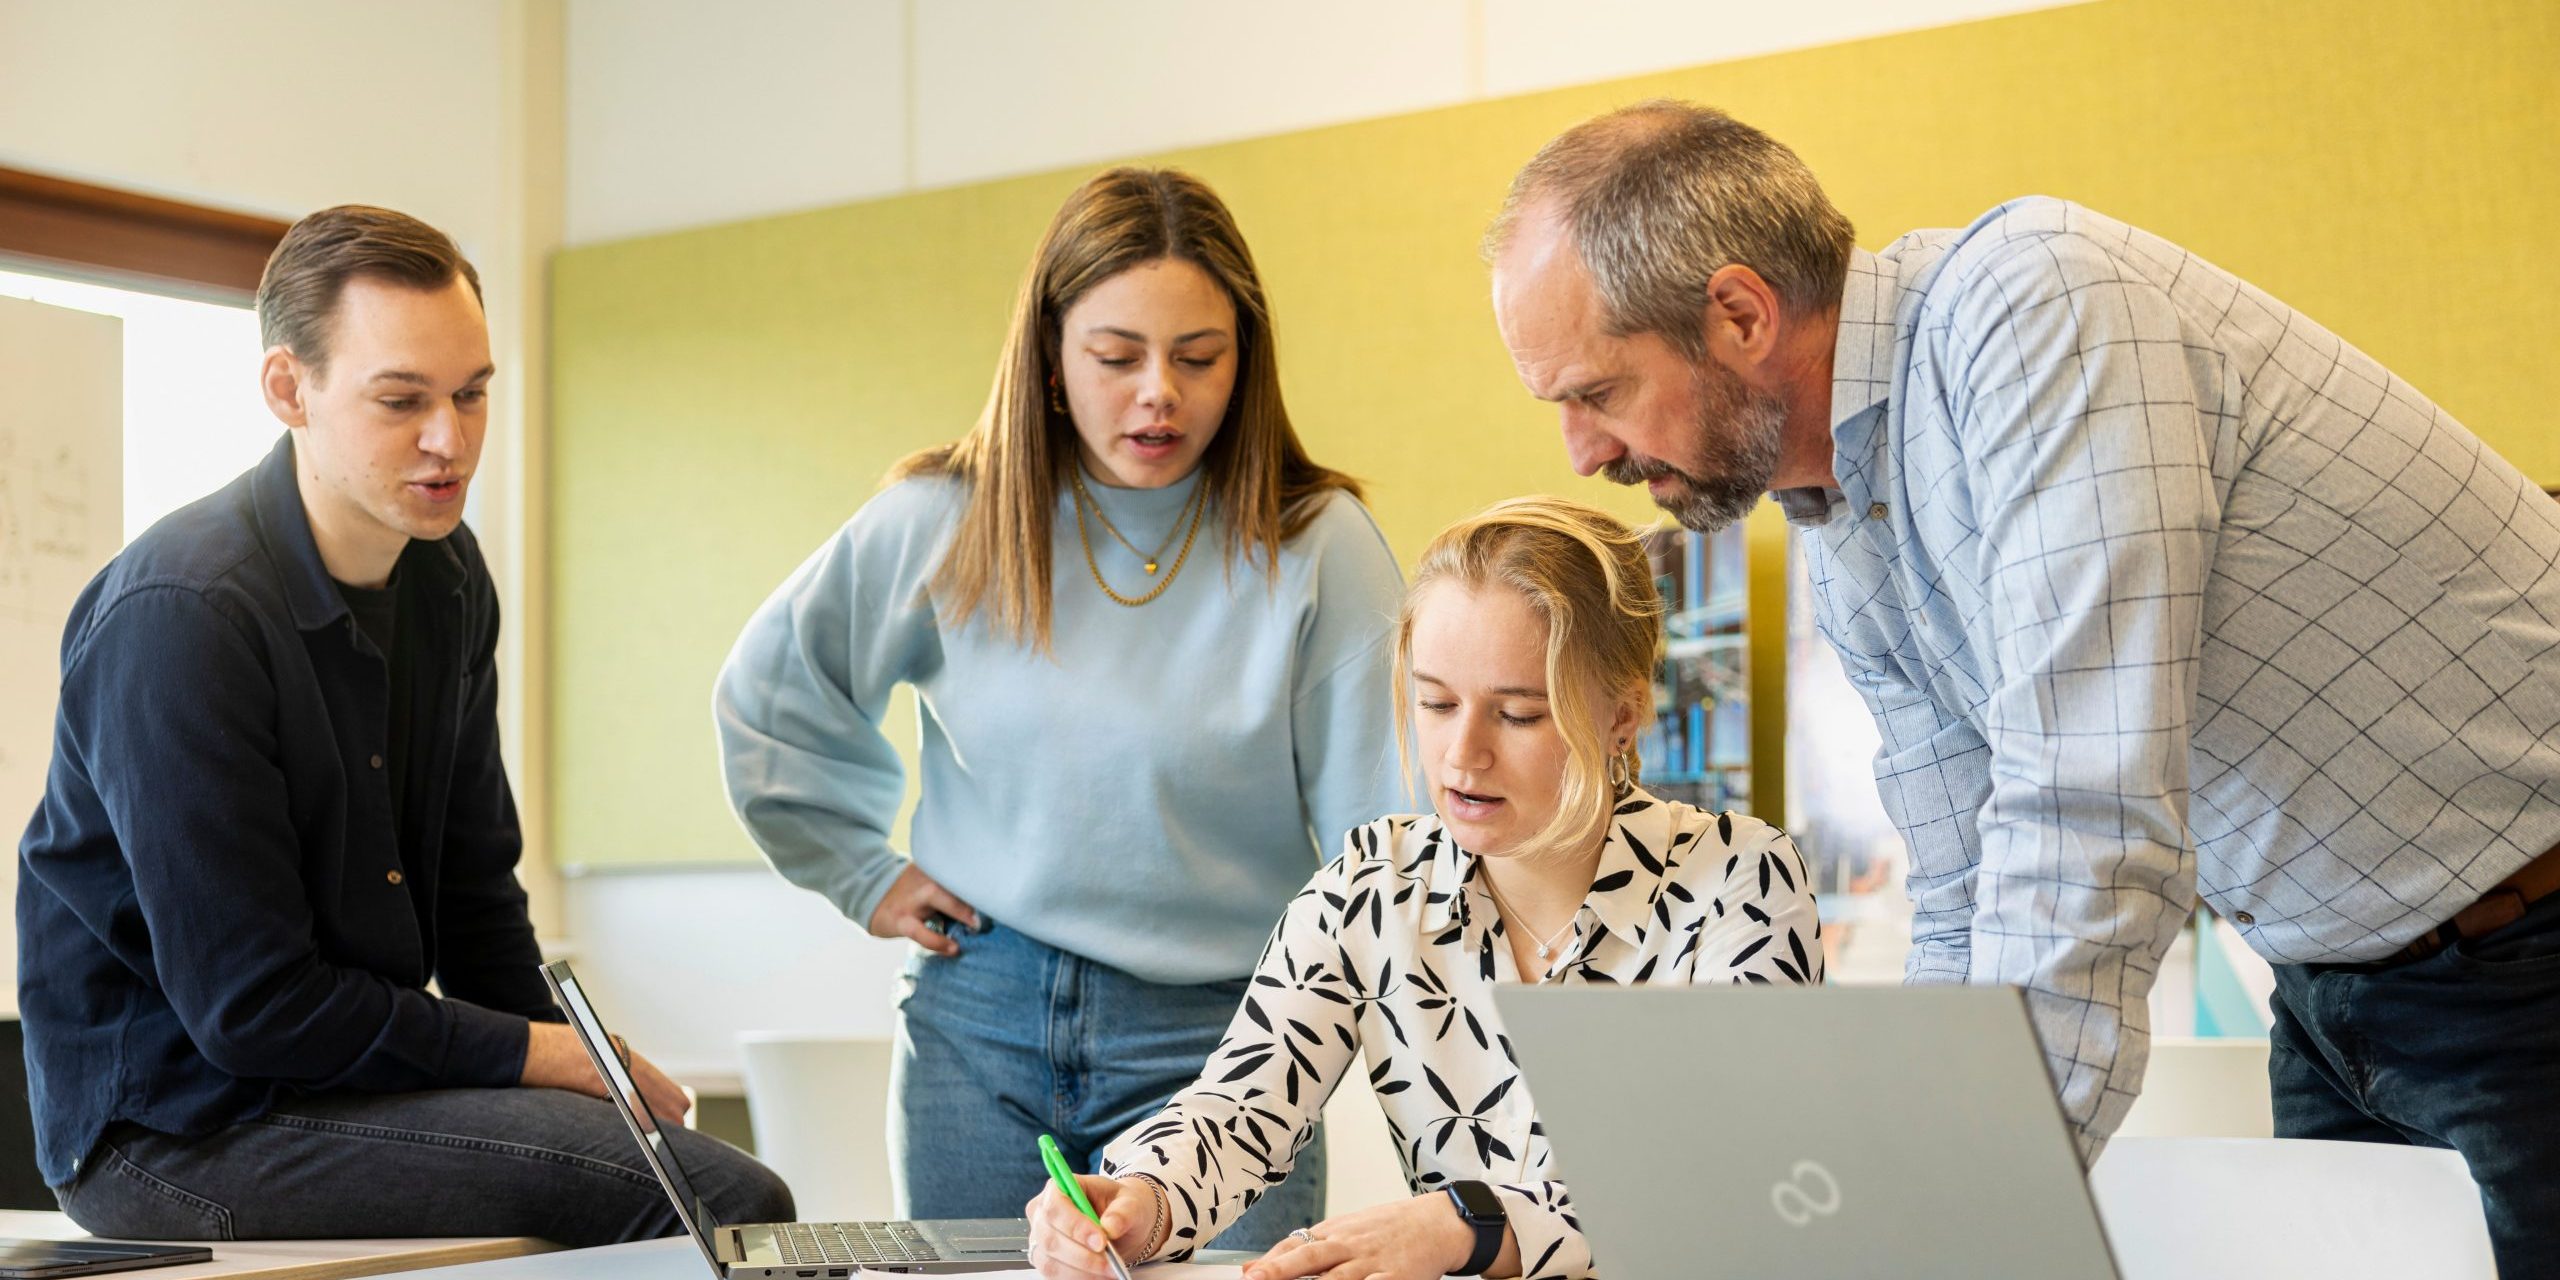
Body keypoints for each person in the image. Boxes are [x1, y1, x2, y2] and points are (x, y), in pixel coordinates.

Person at [1488, 100, 2560, 1274]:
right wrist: (1886, 1184)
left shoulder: (2032, 303)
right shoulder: (1838, 512)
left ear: (1740, 313)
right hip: (2331, 988)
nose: (1582, 454)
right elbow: (1962, 889)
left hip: (2529, 960)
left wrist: (1949, 1226)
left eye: (1593, 392)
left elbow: (2088, 815)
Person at [16, 206, 791, 1245]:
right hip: (171, 1132)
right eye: (402, 401)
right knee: (726, 1201)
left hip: (330, 1092)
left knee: (702, 1175)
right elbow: (253, 1009)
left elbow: (475, 901)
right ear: (289, 389)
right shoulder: (181, 616)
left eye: (472, 394)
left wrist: (587, 1061)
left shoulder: (448, 575)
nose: (451, 439)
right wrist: (545, 1056)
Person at [714, 167, 1405, 1245]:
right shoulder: (942, 517)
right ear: (1048, 361)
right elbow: (769, 697)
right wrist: (859, 869)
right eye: (1116, 356)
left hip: (1225, 1040)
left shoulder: (1320, 546)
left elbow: (1390, 834)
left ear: (1245, 361)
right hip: (979, 1015)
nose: (1158, 395)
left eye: (1197, 357)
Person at [1020, 496, 1824, 1280]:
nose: (1460, 756)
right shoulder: (1369, 888)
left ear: (1623, 716)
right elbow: (1237, 1113)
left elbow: (1725, 1181)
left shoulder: (1739, 881)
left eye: (1516, 715)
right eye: (1436, 702)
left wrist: (1461, 1223)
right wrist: (1142, 1202)